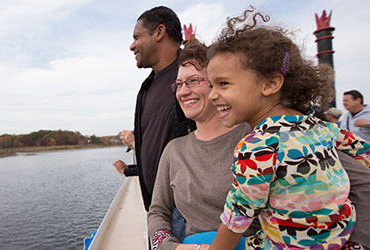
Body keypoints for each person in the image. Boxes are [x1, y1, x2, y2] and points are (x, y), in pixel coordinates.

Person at [147, 38, 370, 250]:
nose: (183, 90)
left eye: (194, 80)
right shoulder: (174, 150)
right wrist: (171, 247)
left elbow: (364, 184)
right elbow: (157, 212)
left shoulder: (264, 137)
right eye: (178, 84)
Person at [204, 8, 370, 249]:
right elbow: (364, 152)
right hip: (343, 239)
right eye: (211, 85)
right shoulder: (322, 127)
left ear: (271, 83)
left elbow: (237, 216)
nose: (212, 95)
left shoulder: (258, 146)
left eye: (223, 84)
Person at [112, 6, 195, 241]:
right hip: (158, 210)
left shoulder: (193, 77)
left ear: (159, 32)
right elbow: (157, 149)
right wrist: (130, 170)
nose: (132, 45)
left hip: (185, 212)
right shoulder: (147, 88)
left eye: (137, 37)